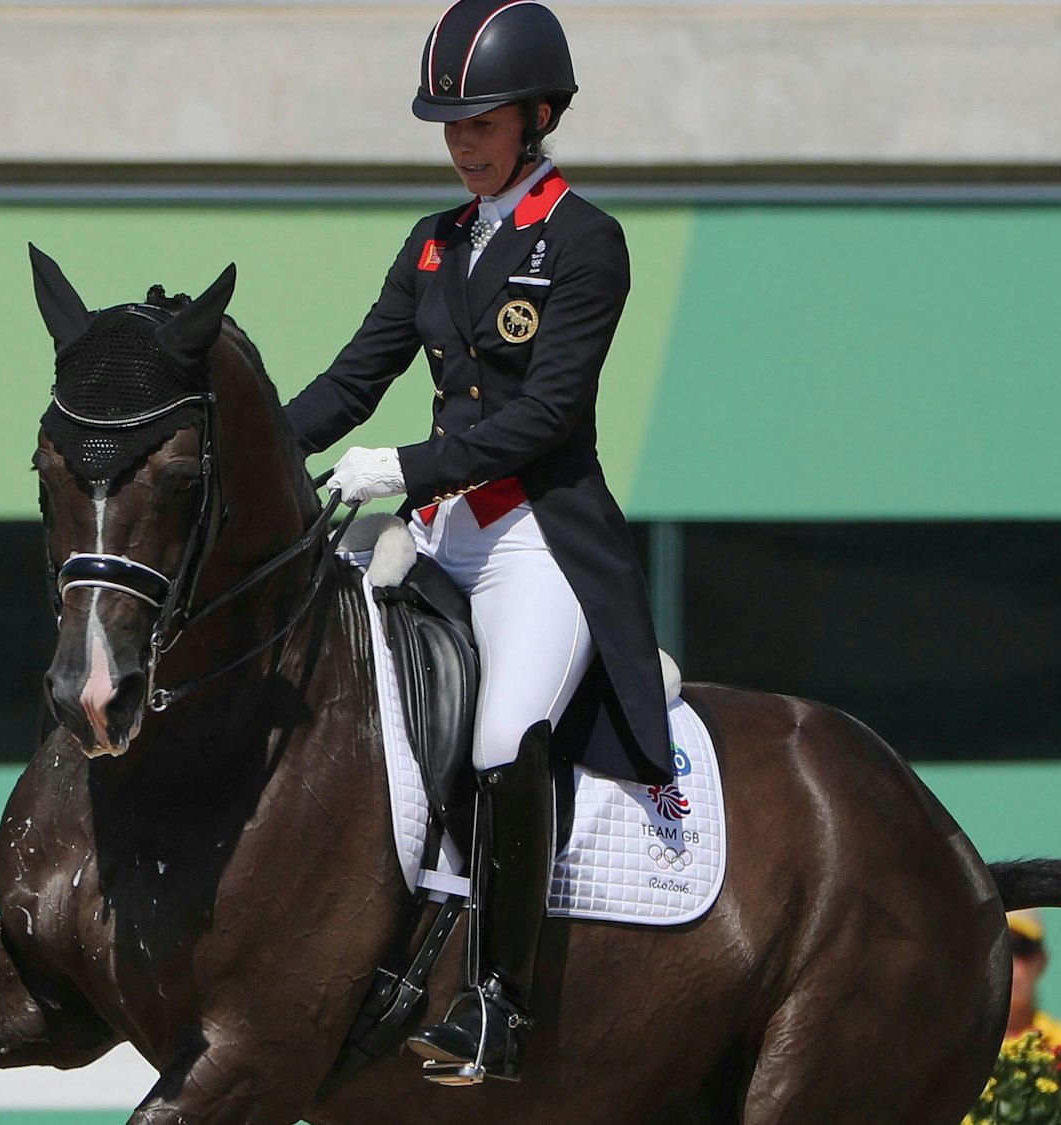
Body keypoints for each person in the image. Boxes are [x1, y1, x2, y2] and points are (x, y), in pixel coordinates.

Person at [281, 0, 674, 1087]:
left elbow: (547, 415)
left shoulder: (584, 240)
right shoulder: (431, 243)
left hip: (533, 540)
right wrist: (247, 444)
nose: (461, 145)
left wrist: (404, 465)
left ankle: (496, 1003)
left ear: (538, 116)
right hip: (436, 535)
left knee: (503, 739)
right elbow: (351, 381)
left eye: (481, 124)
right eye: (448, 128)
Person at [1004, 909, 1061, 1048]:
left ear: (1042, 961)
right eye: (998, 948)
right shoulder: (957, 1044)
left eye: (1022, 947)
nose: (1010, 961)